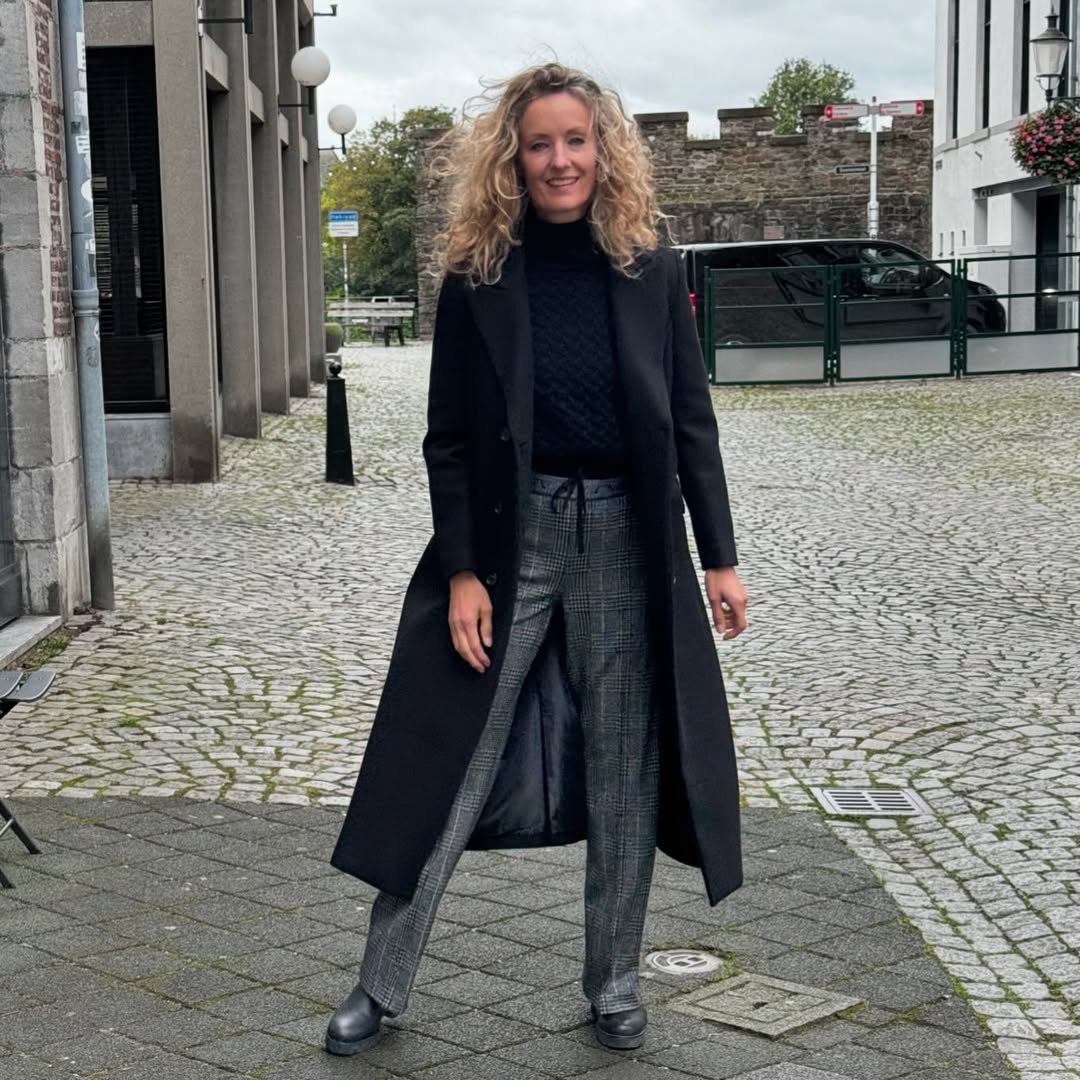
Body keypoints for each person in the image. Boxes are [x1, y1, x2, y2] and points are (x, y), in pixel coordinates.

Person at [326, 62, 748, 1057]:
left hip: (627, 538)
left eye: (576, 140)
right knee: (453, 757)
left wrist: (719, 557)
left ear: (604, 150)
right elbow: (448, 441)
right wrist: (463, 571)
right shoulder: (479, 276)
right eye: (540, 143)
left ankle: (615, 985)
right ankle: (380, 985)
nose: (560, 160)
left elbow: (690, 422)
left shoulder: (650, 268)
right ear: (513, 159)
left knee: (625, 767)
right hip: (513, 539)